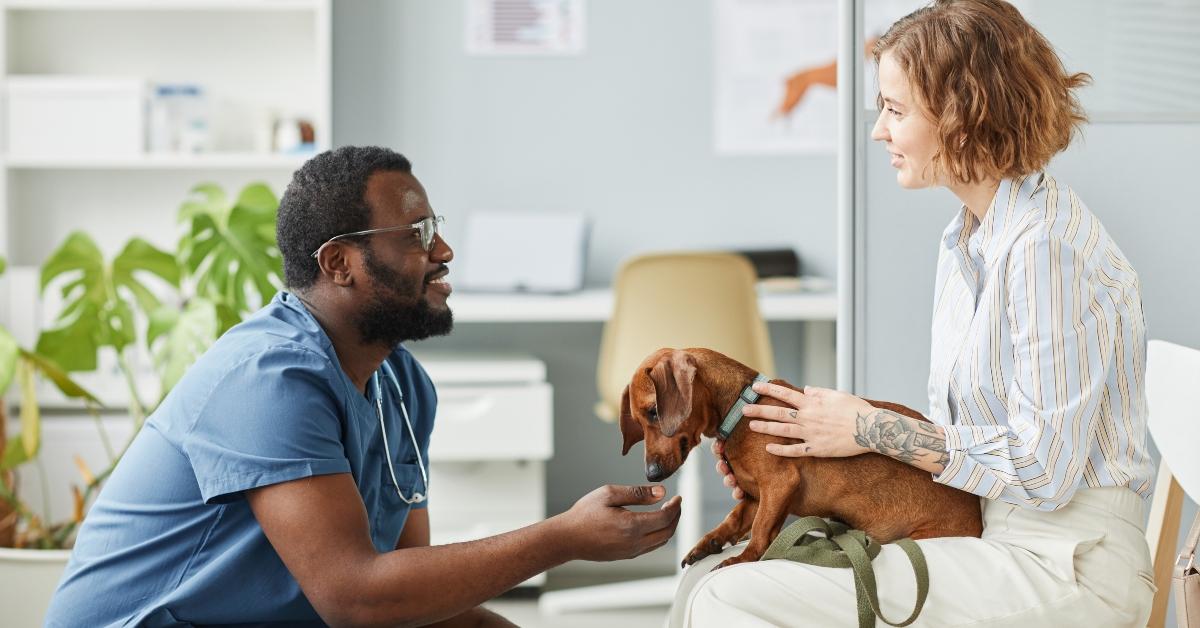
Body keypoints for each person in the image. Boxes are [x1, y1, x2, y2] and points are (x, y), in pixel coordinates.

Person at [46, 146, 682, 627]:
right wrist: (562, 538)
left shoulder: (401, 383)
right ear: (338, 264)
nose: (446, 251)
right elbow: (357, 597)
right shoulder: (267, 378)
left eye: (438, 229)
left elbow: (407, 600)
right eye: (418, 236)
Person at [673, 1, 1156, 626]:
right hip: (997, 533)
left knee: (729, 596)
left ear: (962, 114)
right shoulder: (969, 240)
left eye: (895, 110)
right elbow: (982, 444)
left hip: (1066, 563)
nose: (878, 130)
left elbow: (1046, 471)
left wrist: (869, 427)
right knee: (708, 580)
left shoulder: (1045, 249)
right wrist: (806, 459)